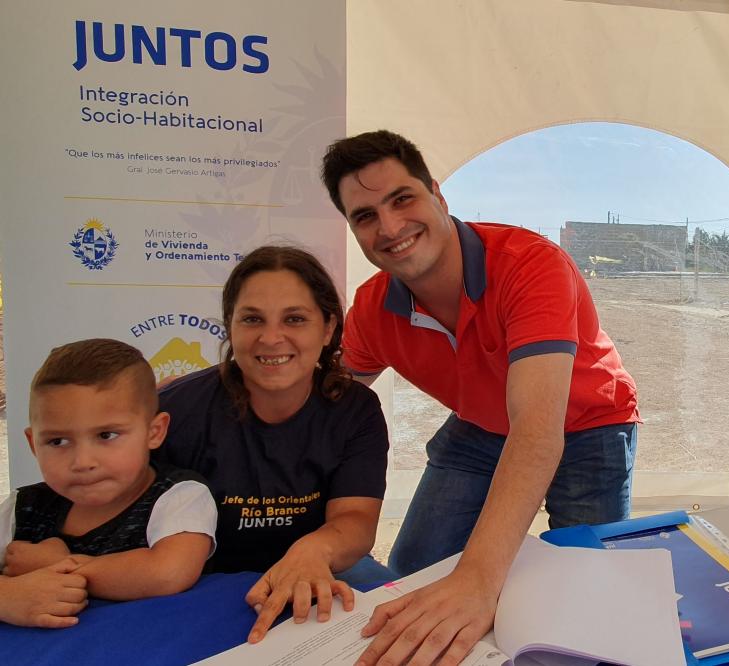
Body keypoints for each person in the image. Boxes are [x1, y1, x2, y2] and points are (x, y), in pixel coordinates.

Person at [321, 130, 641, 666]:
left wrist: (478, 578)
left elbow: (538, 430)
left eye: (402, 199)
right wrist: (203, 392)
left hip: (589, 424)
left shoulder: (529, 264)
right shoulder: (373, 308)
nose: (391, 227)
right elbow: (323, 400)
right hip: (478, 427)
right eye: (365, 216)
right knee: (410, 582)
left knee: (584, 601)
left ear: (438, 197)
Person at [155, 245, 390, 643]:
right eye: (252, 319)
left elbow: (356, 521)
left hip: (325, 567)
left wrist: (313, 550)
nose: (271, 337)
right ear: (230, 326)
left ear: (329, 328)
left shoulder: (356, 410)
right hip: (205, 580)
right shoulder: (174, 410)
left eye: (295, 319)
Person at [0, 339, 217, 628]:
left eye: (106, 436)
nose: (82, 461)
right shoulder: (22, 507)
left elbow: (168, 572)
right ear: (33, 443)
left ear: (154, 431)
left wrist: (56, 565)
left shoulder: (179, 496)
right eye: (58, 441)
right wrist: (7, 596)